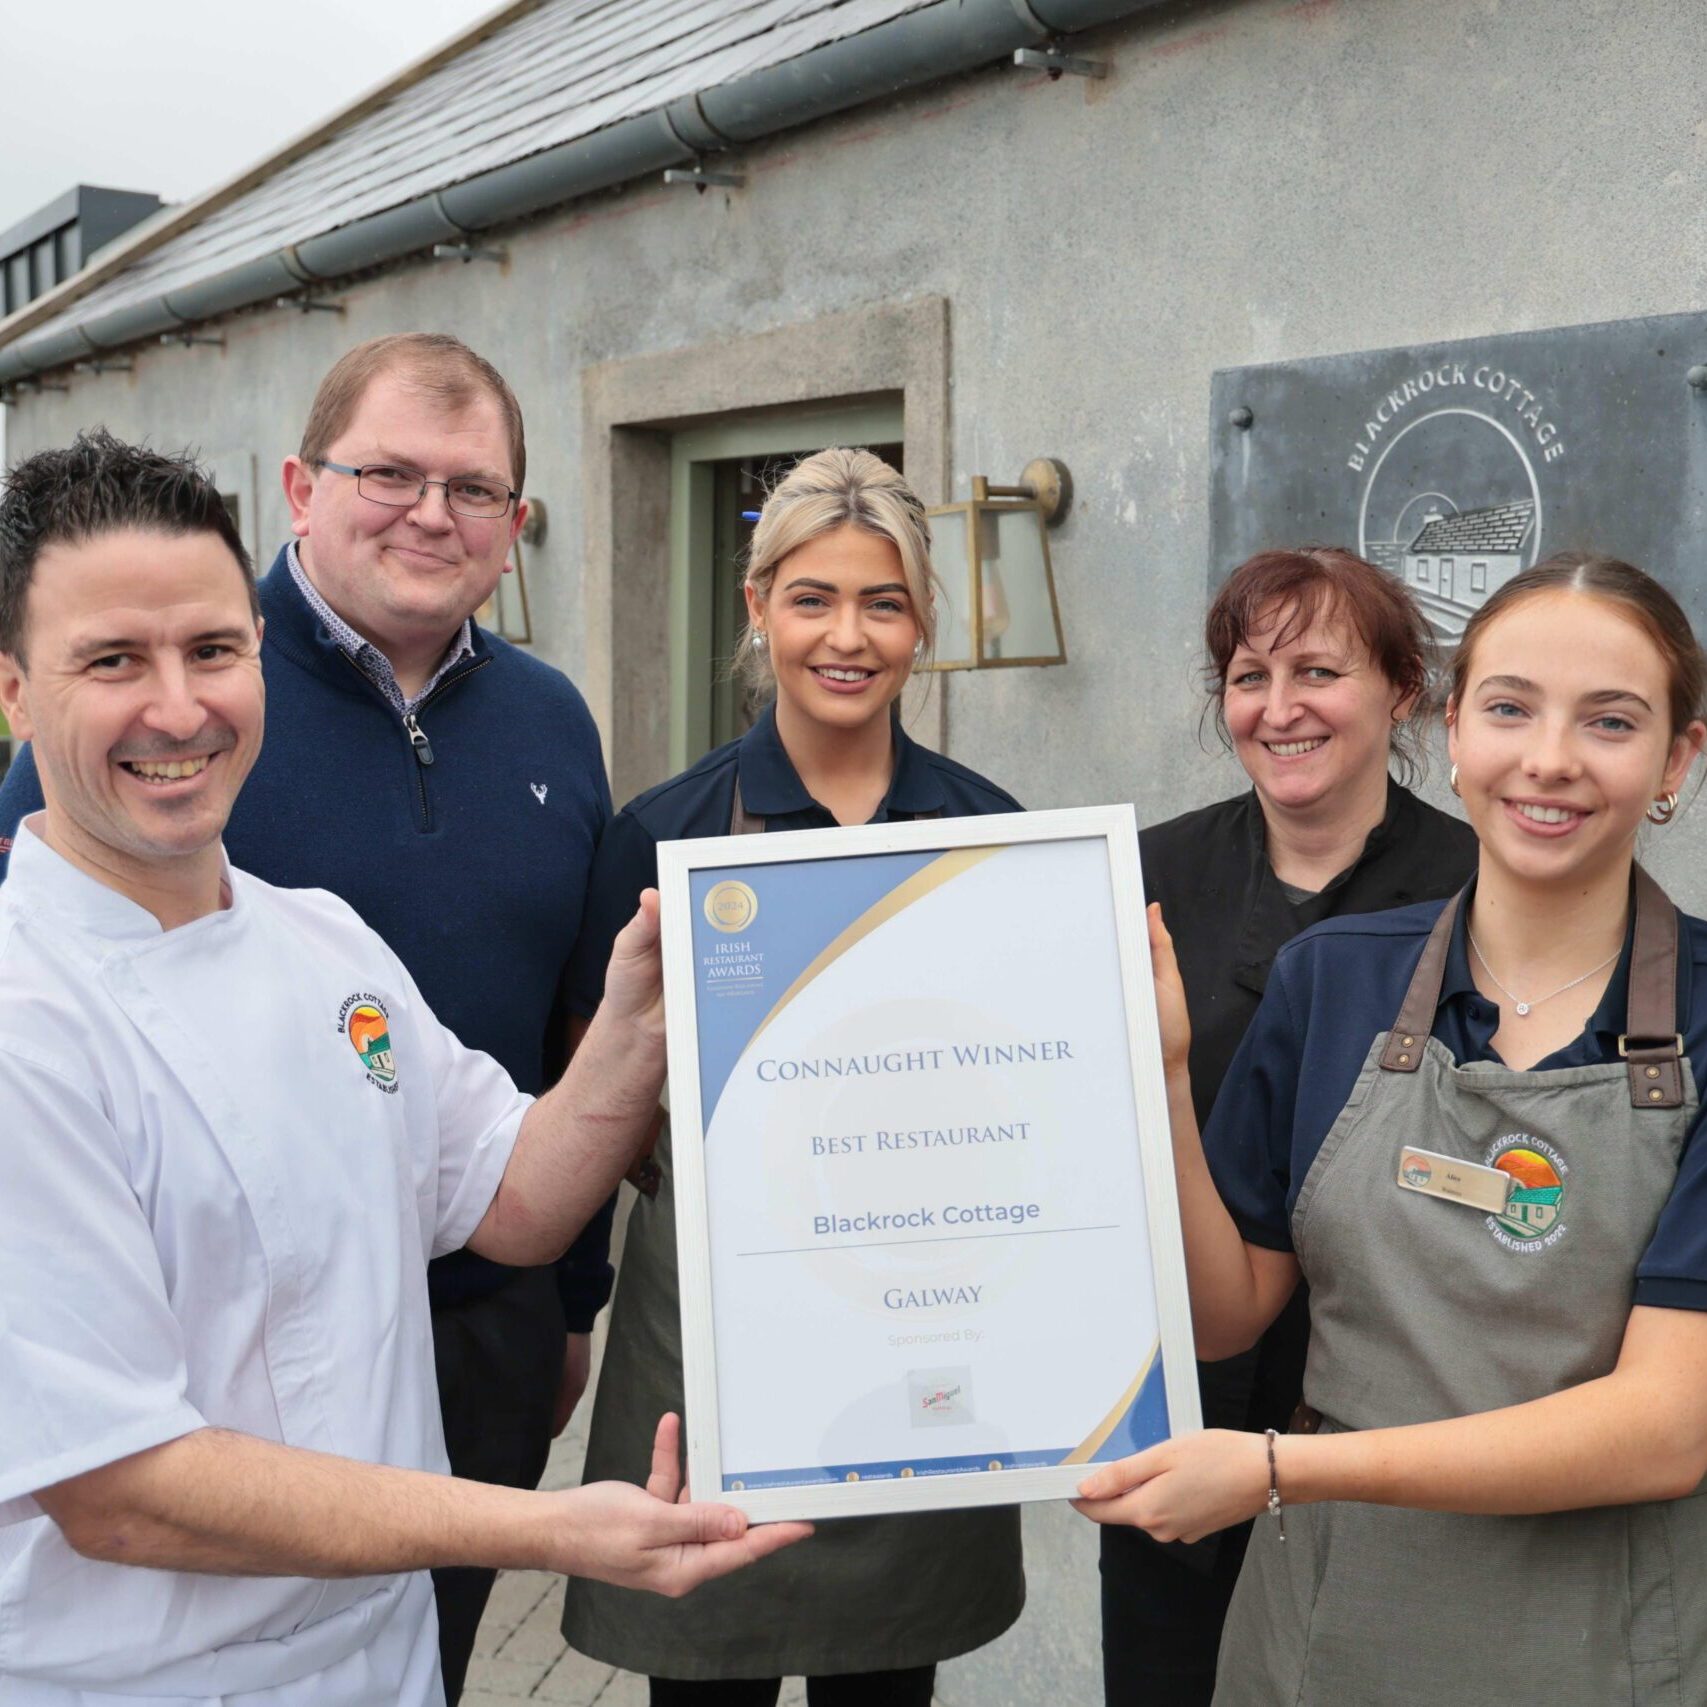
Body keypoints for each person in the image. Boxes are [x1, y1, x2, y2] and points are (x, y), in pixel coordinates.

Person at [0, 431, 808, 1706]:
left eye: (213, 650)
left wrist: (645, 1016)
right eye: (112, 661)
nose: (177, 707)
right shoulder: (24, 1022)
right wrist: (545, 1530)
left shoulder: (320, 943)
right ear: (12, 693)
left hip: (378, 1665)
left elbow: (512, 1197)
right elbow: (121, 1490)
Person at [1077, 552, 1707, 1704]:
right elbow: (1228, 1317)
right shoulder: (1330, 982)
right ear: (1457, 726)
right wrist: (1163, 1078)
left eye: (1610, 722)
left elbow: (1667, 1425)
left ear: (1676, 758)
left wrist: (1280, 1467)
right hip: (1326, 1631)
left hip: (1604, 1638)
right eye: (1511, 707)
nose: (1550, 758)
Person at [560, 448, 1024, 1705]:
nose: (848, 635)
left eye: (883, 602)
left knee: (887, 1681)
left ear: (922, 626)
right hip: (709, 1336)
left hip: (913, 1320)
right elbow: (595, 1100)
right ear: (758, 607)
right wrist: (570, 1309)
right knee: (704, 1671)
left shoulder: (989, 833)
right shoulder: (663, 834)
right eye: (813, 597)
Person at [1102, 547, 1476, 1703]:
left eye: (1319, 670)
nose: (1279, 707)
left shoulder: (1476, 881)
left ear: (1402, 691)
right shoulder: (1143, 876)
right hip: (1178, 1402)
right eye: (1250, 674)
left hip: (1393, 1406)